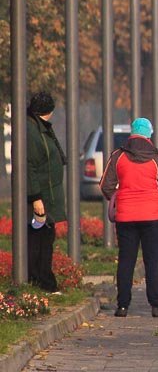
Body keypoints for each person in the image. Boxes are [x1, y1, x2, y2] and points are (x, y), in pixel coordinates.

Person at [100, 117, 158, 318]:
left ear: (131, 133)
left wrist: (116, 197)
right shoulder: (157, 158)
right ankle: (157, 306)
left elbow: (105, 185)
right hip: (152, 217)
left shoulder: (118, 156)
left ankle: (122, 306)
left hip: (126, 218)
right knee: (152, 262)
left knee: (126, 261)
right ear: (149, 134)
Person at [26, 91, 66, 293]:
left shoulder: (39, 128)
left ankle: (41, 279)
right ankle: (41, 281)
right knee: (39, 239)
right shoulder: (32, 131)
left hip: (46, 195)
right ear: (48, 111)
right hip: (40, 198)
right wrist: (36, 198)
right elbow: (30, 166)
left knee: (44, 237)